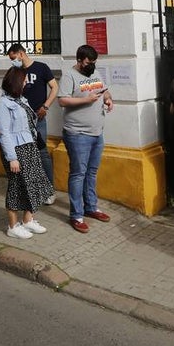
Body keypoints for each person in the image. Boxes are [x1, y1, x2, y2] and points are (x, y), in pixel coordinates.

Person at [58, 44, 113, 234]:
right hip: (77, 134)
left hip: (97, 132)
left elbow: (104, 90)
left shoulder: (95, 73)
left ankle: (91, 207)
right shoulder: (69, 75)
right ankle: (76, 215)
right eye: (89, 62)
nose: (92, 65)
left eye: (94, 62)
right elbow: (62, 100)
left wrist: (107, 99)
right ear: (80, 60)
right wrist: (85, 100)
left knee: (91, 172)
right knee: (78, 173)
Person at [0, 66, 54, 239]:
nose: (27, 82)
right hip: (15, 150)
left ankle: (28, 220)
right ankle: (13, 226)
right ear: (16, 82)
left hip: (29, 146)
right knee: (17, 186)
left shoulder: (22, 100)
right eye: (24, 80)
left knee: (35, 182)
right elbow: (4, 133)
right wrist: (12, 158)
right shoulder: (3, 105)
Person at [7, 43, 57, 197]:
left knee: (42, 152)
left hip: (38, 117)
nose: (13, 61)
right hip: (20, 120)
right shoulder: (16, 72)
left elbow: (54, 87)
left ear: (21, 54)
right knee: (24, 153)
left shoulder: (41, 67)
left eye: (14, 58)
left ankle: (49, 190)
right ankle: (31, 188)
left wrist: (46, 106)